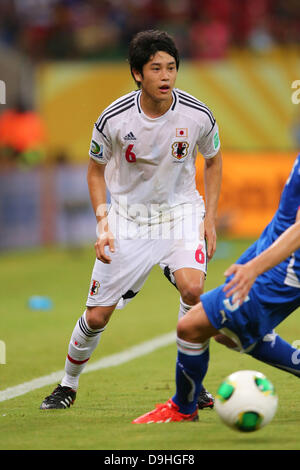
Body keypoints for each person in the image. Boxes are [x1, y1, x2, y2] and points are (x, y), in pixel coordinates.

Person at [40, 30, 222, 410]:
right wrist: (103, 222)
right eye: (156, 68)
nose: (166, 76)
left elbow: (214, 159)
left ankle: (189, 384)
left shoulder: (197, 114)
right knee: (97, 315)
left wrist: (209, 219)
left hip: (181, 213)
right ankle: (67, 385)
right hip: (129, 220)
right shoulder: (114, 119)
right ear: (137, 73)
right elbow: (95, 170)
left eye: (171, 67)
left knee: (193, 290)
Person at [133, 154, 300, 423]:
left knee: (191, 327)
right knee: (224, 334)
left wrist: (255, 267)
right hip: (272, 246)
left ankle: (182, 409)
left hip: (285, 269)